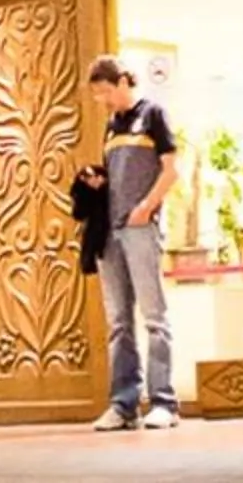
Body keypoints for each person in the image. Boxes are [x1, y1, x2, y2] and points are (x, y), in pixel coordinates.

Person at [82, 54, 180, 430]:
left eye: (106, 90)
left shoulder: (153, 114)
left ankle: (163, 402)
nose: (104, 100)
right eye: (98, 94)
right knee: (118, 322)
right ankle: (123, 404)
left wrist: (146, 208)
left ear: (123, 81)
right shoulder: (111, 125)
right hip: (111, 233)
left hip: (140, 228)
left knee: (154, 317)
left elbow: (170, 171)